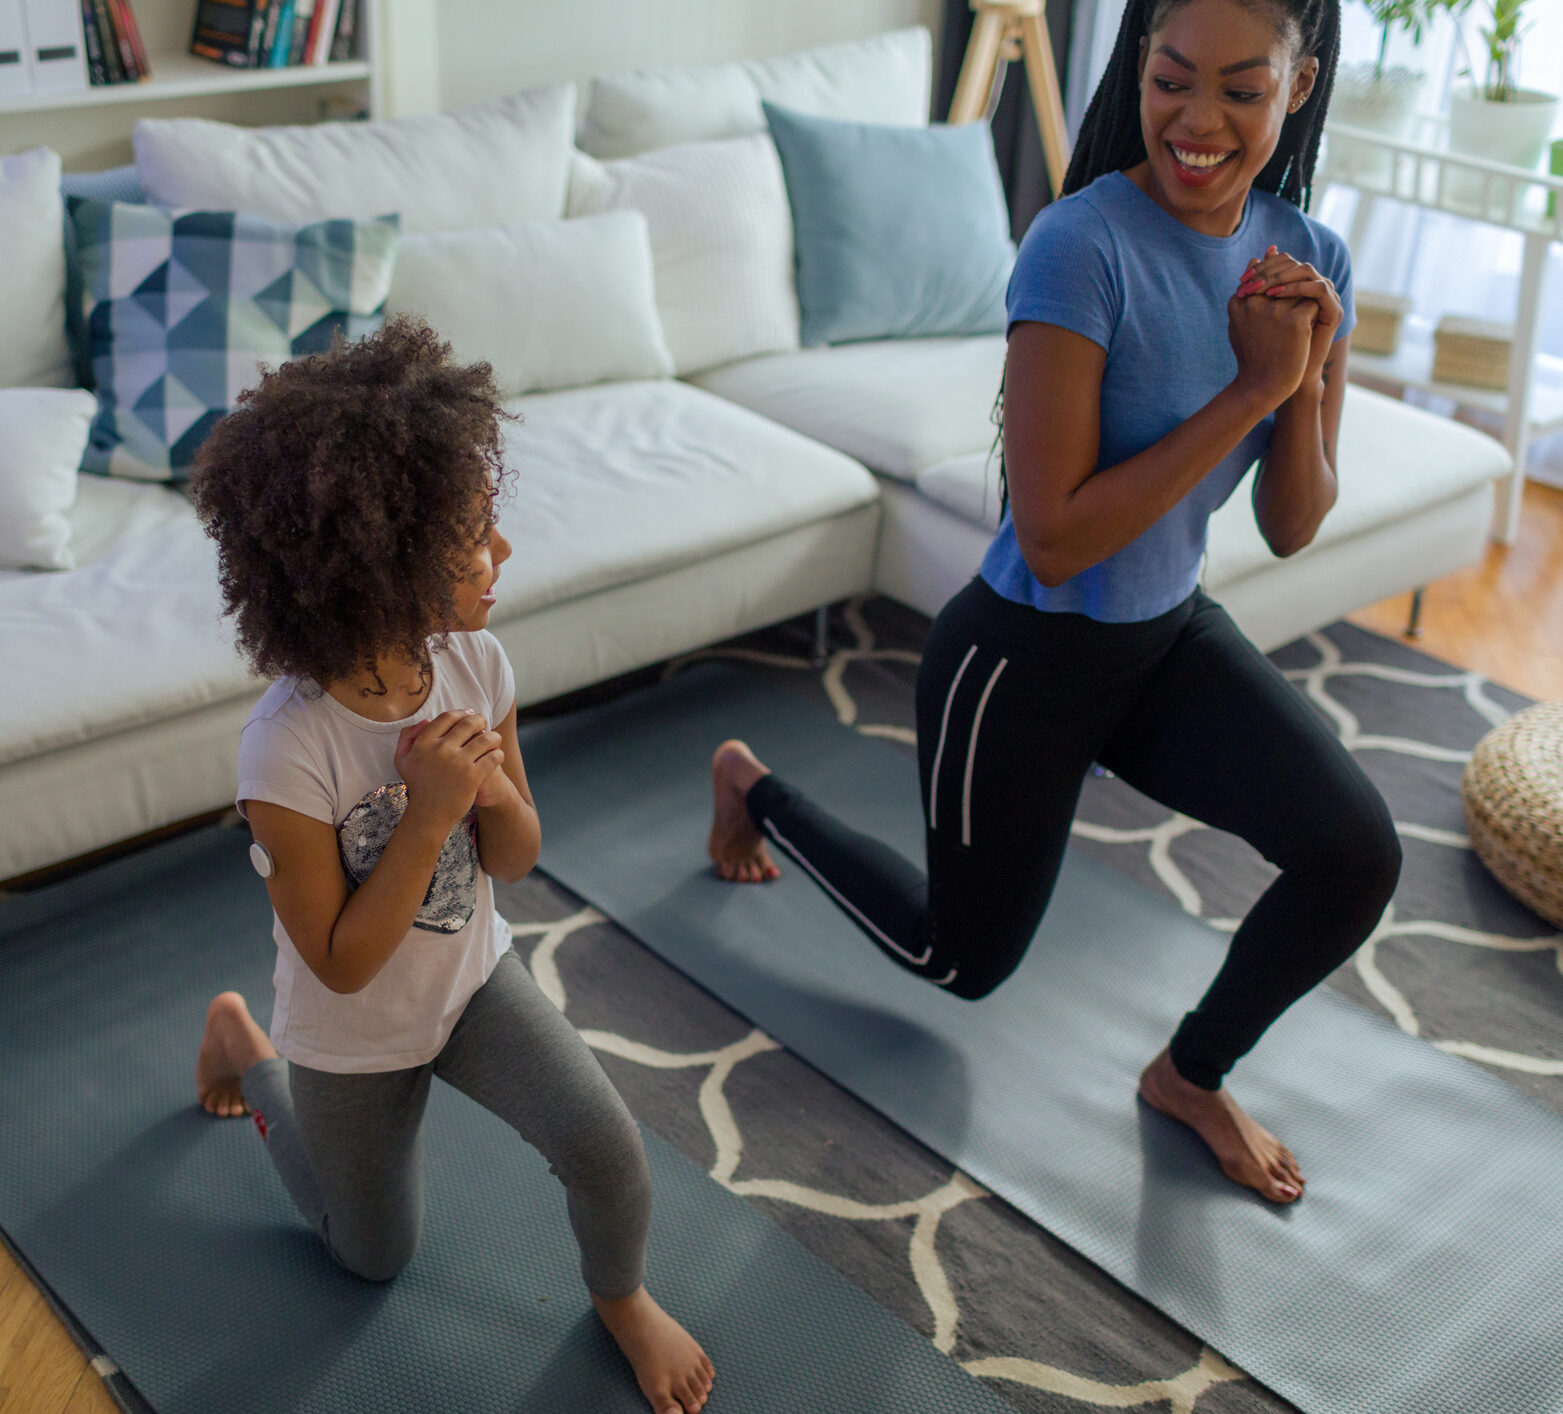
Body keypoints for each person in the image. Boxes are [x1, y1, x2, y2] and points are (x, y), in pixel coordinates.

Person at [709, 0, 1401, 1205]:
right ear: (1139, 63)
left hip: (1164, 641)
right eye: (1171, 78)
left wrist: (1301, 382)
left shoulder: (1309, 258)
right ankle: (754, 792)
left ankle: (1192, 1073)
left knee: (1356, 853)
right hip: (1022, 658)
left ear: (1301, 86)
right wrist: (1251, 392)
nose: (1195, 121)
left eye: (1241, 90)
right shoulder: (1080, 245)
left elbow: (1290, 525)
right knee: (956, 957)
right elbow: (1057, 533)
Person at [190, 317, 714, 1414]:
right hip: (349, 1036)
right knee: (368, 1255)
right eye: (478, 533)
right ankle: (251, 1055)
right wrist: (426, 816)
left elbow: (518, 861)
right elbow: (338, 963)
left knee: (610, 1151)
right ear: (383, 566)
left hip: (474, 984)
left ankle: (620, 1297)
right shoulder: (286, 749)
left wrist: (491, 795)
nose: (503, 552)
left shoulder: (475, 661)